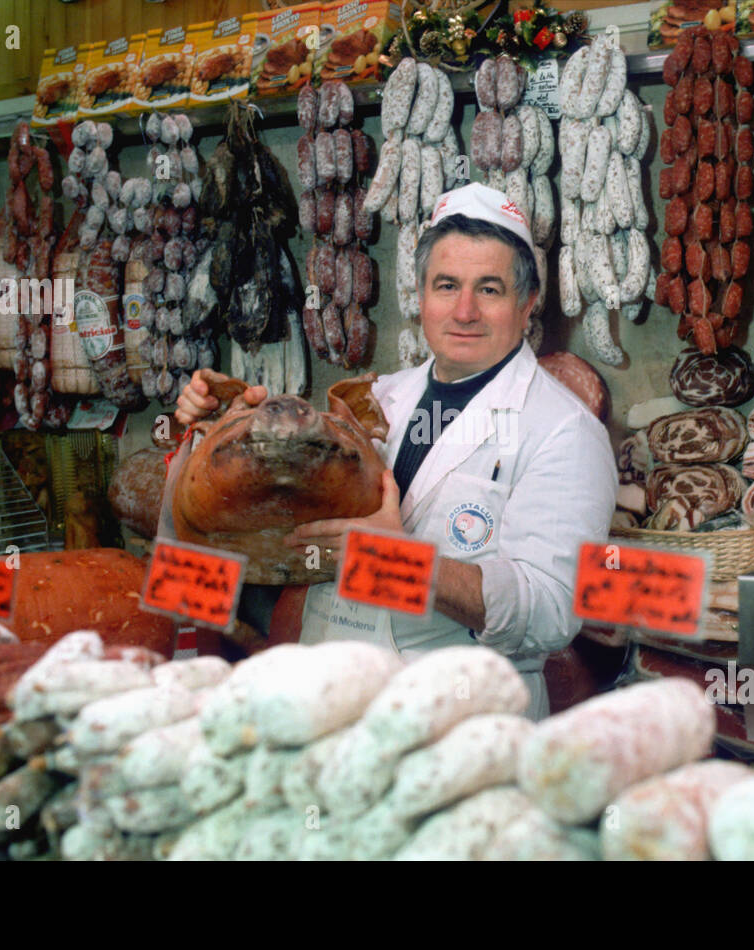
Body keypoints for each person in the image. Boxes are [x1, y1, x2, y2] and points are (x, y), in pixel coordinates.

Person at [175, 183, 617, 717]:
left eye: (491, 290)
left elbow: (550, 611)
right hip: (330, 701)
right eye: (447, 285)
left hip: (459, 726)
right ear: (421, 295)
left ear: (528, 305)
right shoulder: (376, 399)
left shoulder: (564, 431)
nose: (465, 311)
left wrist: (404, 563)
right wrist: (215, 435)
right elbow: (268, 541)